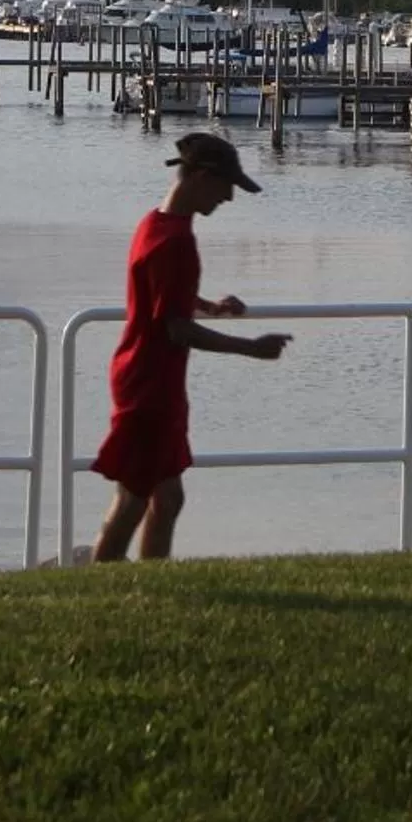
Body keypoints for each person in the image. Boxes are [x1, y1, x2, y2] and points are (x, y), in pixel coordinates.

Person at [93, 133, 292, 562]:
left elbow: (163, 296)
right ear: (202, 177)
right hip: (151, 382)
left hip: (143, 376)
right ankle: (97, 589)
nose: (229, 199)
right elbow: (177, 328)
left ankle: (148, 583)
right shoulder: (177, 242)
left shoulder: (154, 224)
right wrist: (250, 348)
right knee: (133, 498)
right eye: (226, 187)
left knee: (164, 499)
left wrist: (210, 306)